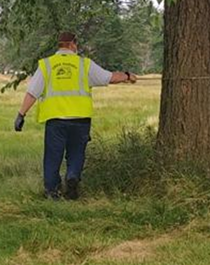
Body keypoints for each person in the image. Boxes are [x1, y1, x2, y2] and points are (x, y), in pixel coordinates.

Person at [14, 31, 137, 200]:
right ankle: (72, 176)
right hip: (80, 119)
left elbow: (32, 92)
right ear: (73, 44)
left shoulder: (46, 65)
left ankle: (52, 191)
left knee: (52, 156)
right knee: (77, 153)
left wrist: (21, 114)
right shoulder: (84, 64)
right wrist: (128, 76)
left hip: (56, 120)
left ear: (60, 45)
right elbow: (110, 77)